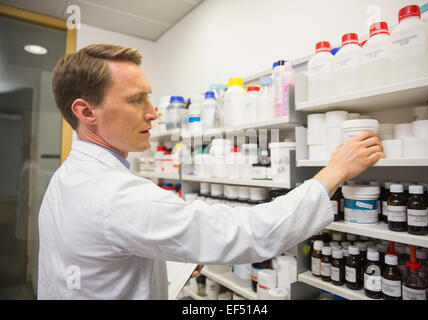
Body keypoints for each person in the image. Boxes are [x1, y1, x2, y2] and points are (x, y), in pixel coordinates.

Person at [38, 44, 384, 299]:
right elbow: (248, 233)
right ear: (86, 112)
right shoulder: (114, 195)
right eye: (135, 99)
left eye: (149, 97)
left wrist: (181, 258)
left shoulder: (66, 177)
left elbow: (100, 263)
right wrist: (335, 171)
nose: (153, 112)